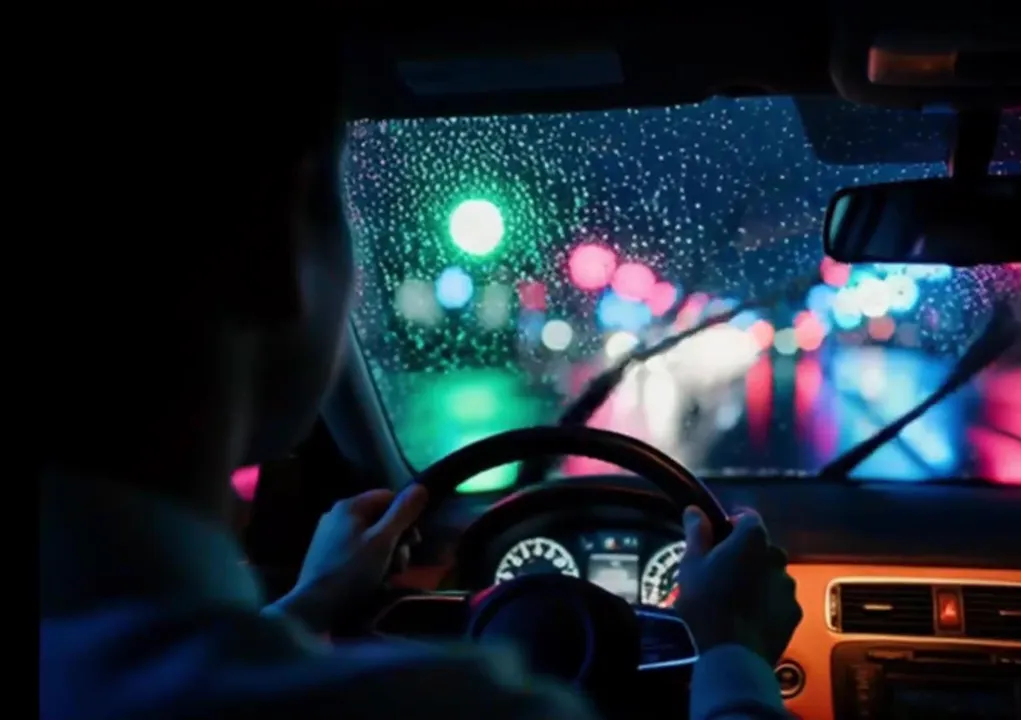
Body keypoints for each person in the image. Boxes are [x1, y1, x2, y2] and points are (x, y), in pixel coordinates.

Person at [38, 31, 802, 720]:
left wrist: (309, 603)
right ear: (271, 245)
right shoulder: (460, 707)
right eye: (343, 218)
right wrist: (732, 649)